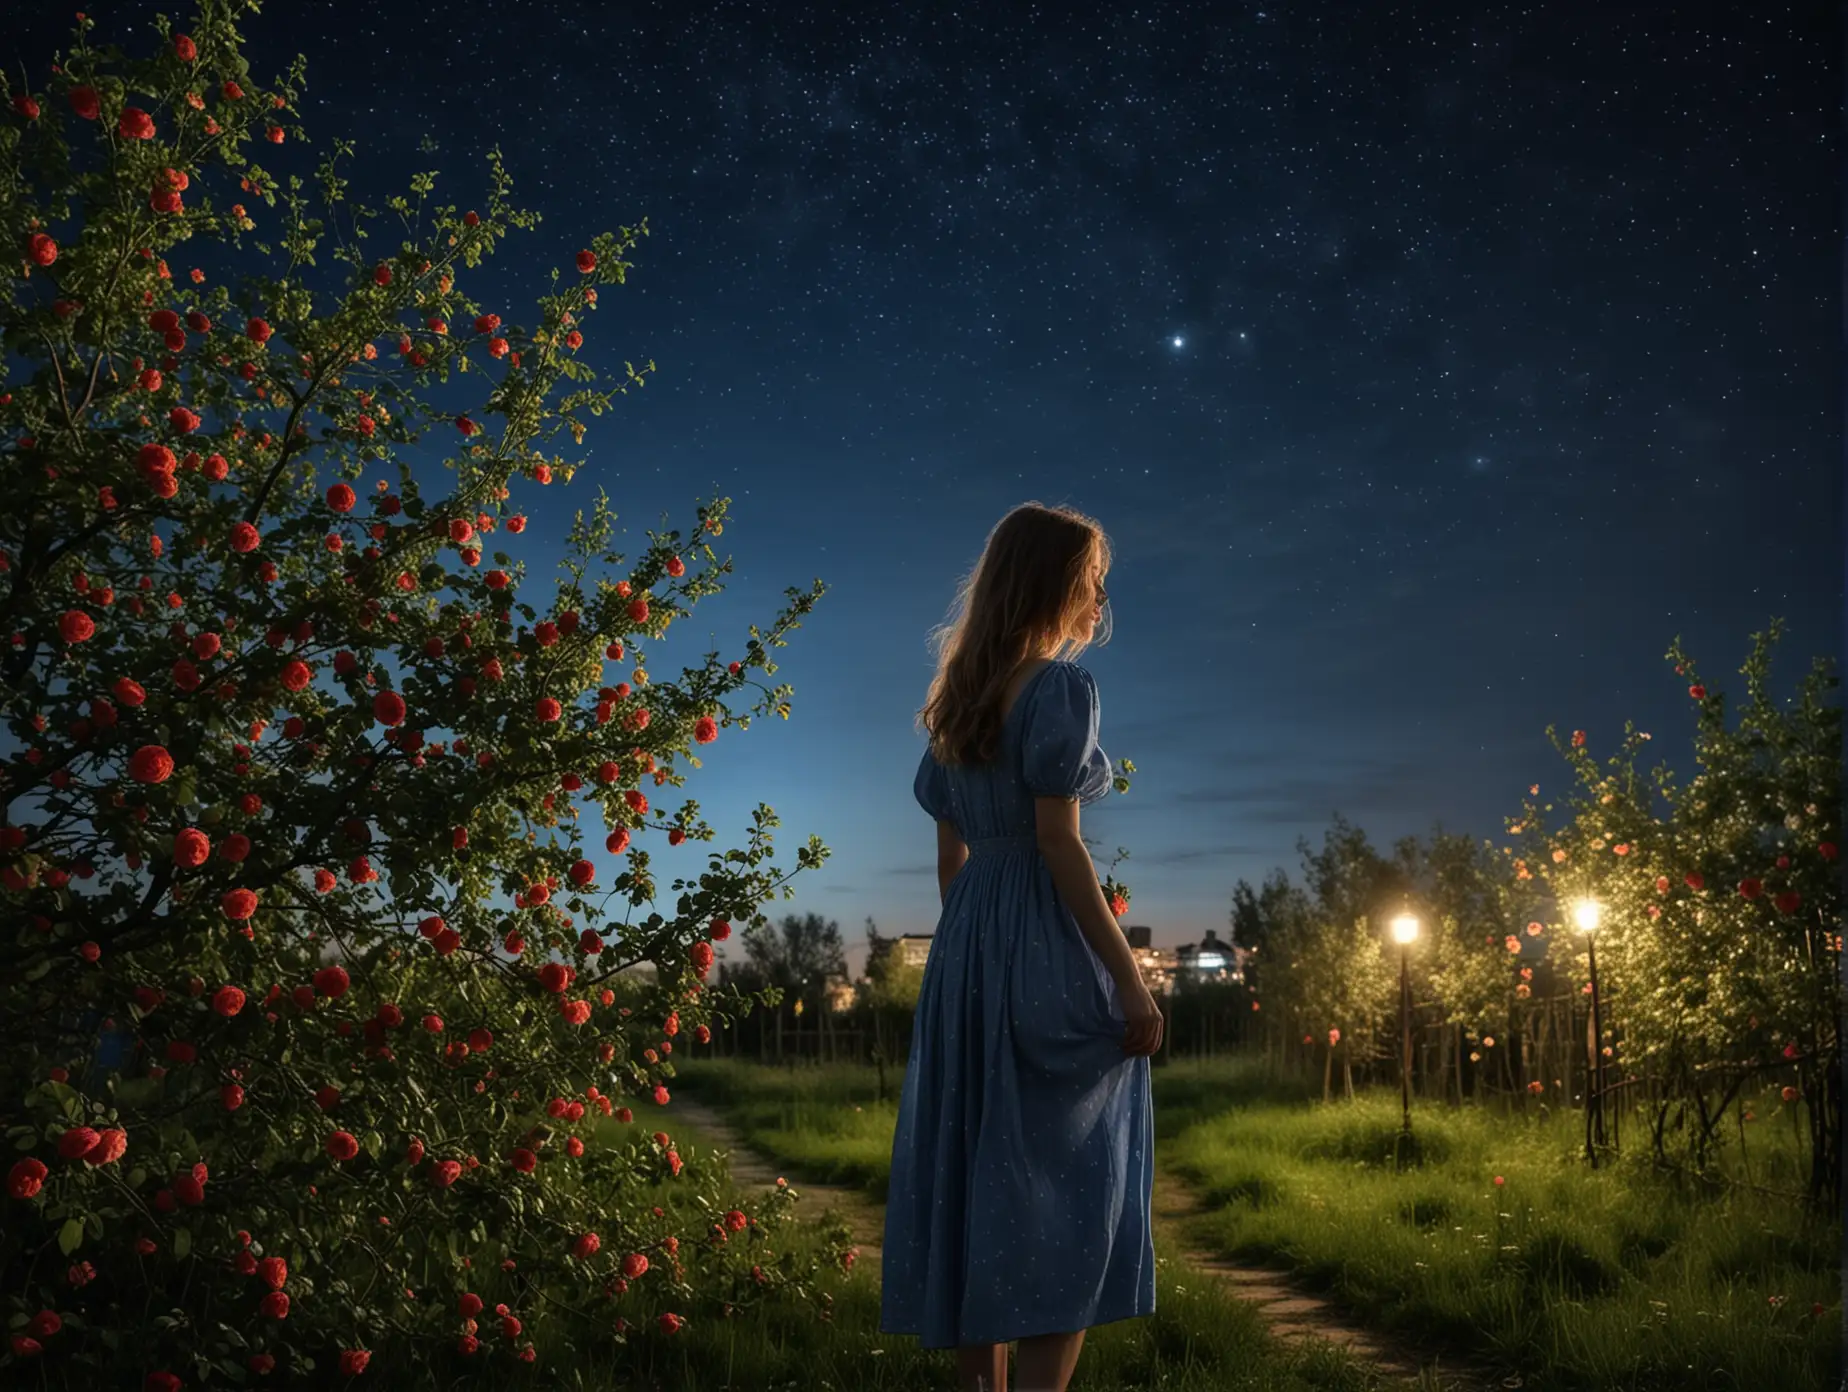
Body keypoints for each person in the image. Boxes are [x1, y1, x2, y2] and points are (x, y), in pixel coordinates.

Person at [881, 502, 1164, 1392]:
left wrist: (973, 955)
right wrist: (1131, 983)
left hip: (968, 945)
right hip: (1041, 937)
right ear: (1055, 584)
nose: (1099, 594)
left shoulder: (957, 703)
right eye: (1091, 577)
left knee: (978, 1171)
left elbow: (949, 861)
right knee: (1071, 1186)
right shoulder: (1056, 690)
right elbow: (1059, 844)